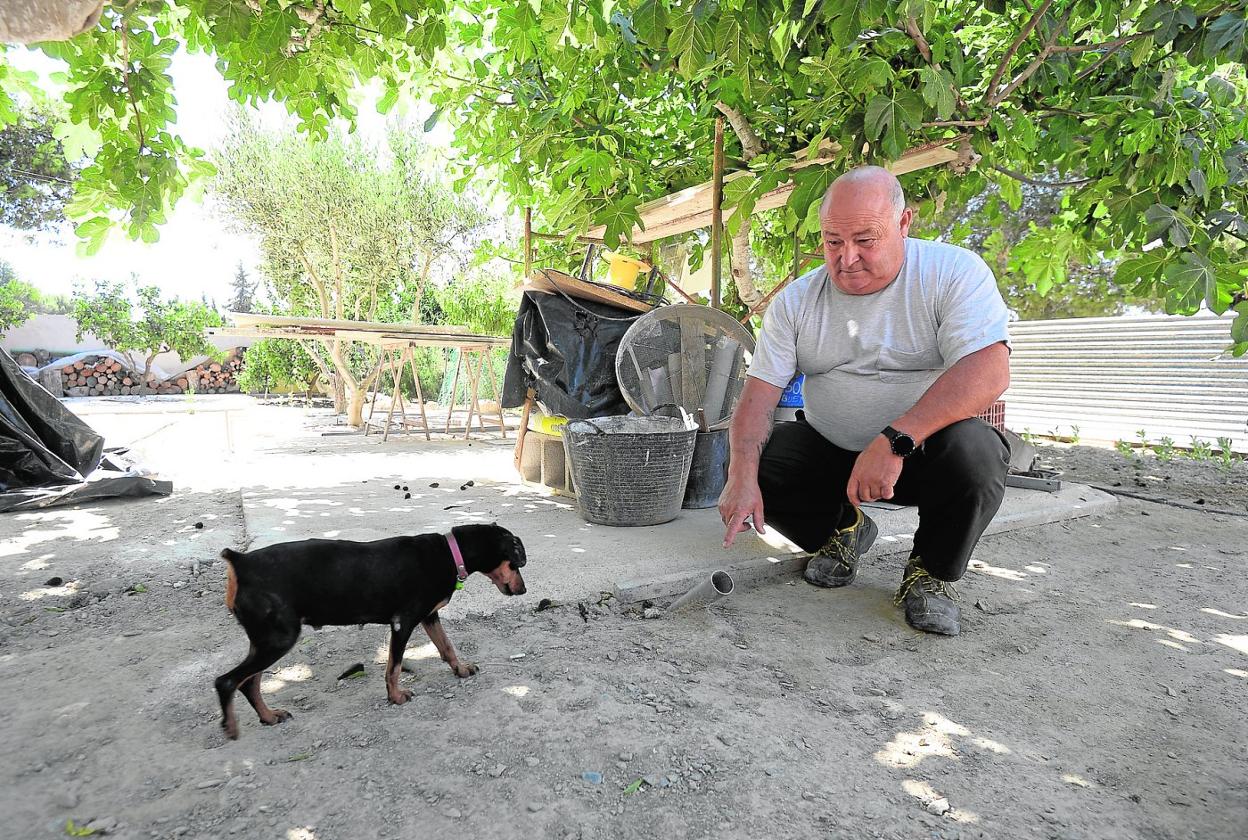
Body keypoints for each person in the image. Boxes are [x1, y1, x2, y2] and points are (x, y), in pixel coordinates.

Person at [718, 166, 1012, 636]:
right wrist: (739, 477)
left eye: (864, 240)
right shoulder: (795, 302)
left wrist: (896, 439)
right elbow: (757, 398)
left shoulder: (953, 272)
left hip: (922, 455)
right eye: (833, 241)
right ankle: (844, 530)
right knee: (760, 463)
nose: (846, 258)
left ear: (904, 224)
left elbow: (991, 370)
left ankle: (930, 575)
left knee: (978, 452)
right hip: (834, 454)